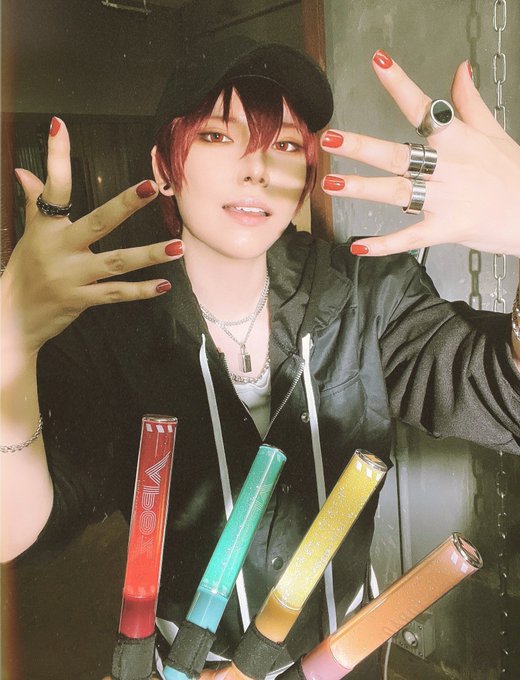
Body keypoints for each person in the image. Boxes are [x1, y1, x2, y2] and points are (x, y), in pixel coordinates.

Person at [1, 35, 519, 679]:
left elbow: (505, 401)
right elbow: (18, 531)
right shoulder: (109, 330)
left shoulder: (370, 293)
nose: (257, 169)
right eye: (218, 136)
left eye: (286, 145)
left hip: (341, 657)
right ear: (164, 167)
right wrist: (9, 345)